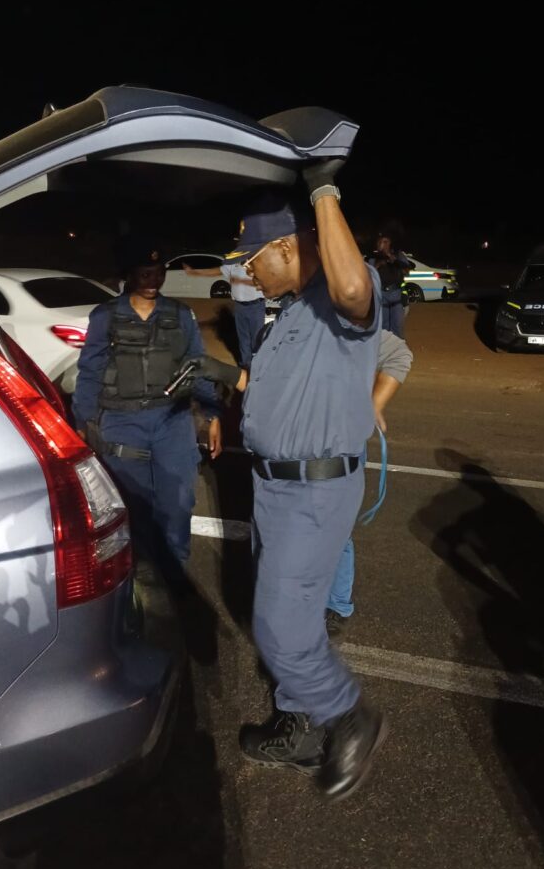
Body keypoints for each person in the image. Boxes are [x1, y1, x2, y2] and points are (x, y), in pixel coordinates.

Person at [225, 168, 386, 801]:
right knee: (290, 614)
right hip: (275, 489)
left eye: (252, 260)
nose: (247, 273)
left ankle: (349, 714)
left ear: (288, 247)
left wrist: (323, 189)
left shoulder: (338, 302)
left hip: (312, 493)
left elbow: (352, 286)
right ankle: (300, 731)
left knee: (279, 628)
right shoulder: (288, 314)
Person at [72, 239, 223, 577]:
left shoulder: (181, 315)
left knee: (178, 500)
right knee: (132, 501)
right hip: (121, 421)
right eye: (144, 272)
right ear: (130, 275)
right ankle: (139, 569)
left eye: (157, 272)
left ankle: (175, 565)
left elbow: (197, 365)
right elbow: (90, 371)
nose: (153, 279)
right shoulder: (105, 316)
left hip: (172, 419)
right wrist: (81, 422)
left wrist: (212, 415)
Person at [325, 330, 413, 639]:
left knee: (338, 527)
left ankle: (336, 603)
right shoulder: (285, 320)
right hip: (298, 447)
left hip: (343, 443)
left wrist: (374, 404)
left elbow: (399, 355)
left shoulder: (346, 323)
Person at [181, 259, 266, 368]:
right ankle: (245, 369)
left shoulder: (256, 261)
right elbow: (217, 271)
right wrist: (195, 272)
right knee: (243, 341)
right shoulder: (234, 262)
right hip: (240, 307)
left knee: (257, 340)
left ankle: (258, 369)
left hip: (255, 306)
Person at [368, 230, 411, 338]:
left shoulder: (397, 255)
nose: (383, 245)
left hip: (396, 297)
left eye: (386, 242)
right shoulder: (373, 258)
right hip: (381, 297)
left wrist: (394, 260)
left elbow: (407, 271)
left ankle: (398, 351)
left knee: (398, 327)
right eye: (381, 242)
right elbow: (368, 275)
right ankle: (385, 351)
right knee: (384, 328)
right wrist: (378, 265)